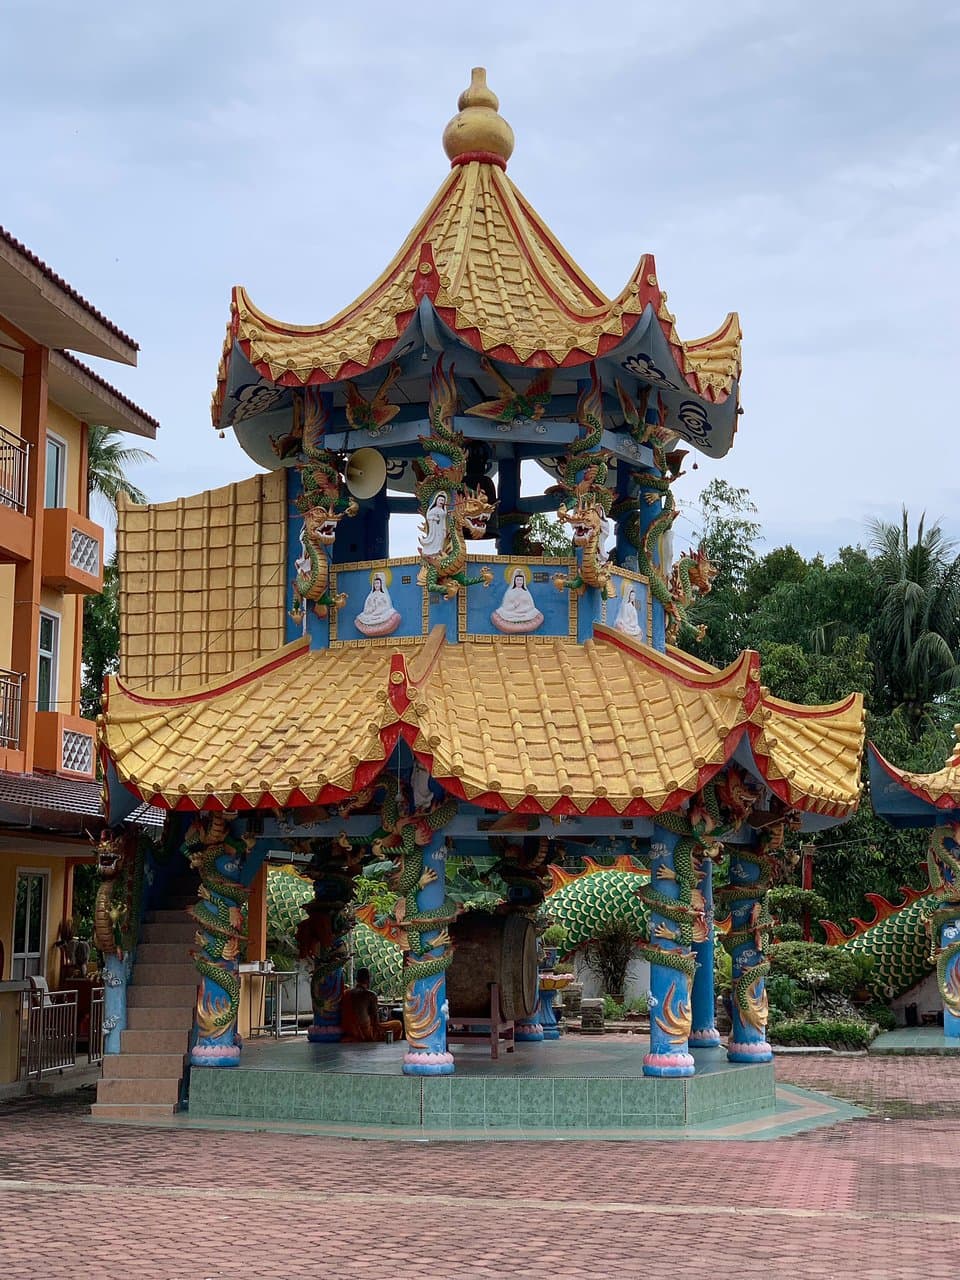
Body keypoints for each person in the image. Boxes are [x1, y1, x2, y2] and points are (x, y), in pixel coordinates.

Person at [340, 967, 403, 1043]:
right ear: (369, 980)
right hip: (365, 1034)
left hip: (348, 1031)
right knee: (398, 1024)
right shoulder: (370, 995)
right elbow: (376, 1022)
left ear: (356, 979)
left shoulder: (346, 993)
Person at [491, 570, 544, 634]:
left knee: (535, 613)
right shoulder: (510, 592)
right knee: (500, 612)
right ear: (514, 581)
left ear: (523, 581)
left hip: (524, 613)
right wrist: (514, 606)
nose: (519, 582)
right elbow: (505, 607)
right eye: (517, 580)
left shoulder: (526, 592)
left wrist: (523, 610)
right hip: (511, 613)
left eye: (521, 580)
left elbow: (531, 606)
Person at [418, 492, 449, 557]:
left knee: (440, 540)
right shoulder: (433, 510)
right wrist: (434, 518)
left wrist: (444, 530)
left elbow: (443, 519)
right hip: (434, 529)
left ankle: (438, 550)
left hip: (441, 529)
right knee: (434, 539)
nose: (441, 501)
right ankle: (431, 551)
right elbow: (428, 517)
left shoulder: (442, 511)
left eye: (443, 500)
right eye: (440, 500)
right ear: (436, 501)